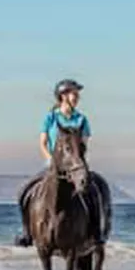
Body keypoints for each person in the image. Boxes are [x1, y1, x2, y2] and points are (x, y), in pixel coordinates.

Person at [14, 78, 107, 247]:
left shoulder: (82, 120)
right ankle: (27, 232)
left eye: (77, 94)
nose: (77, 97)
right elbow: (43, 143)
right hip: (53, 166)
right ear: (63, 96)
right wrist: (50, 159)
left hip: (74, 166)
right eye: (74, 94)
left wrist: (77, 163)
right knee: (24, 191)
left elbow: (83, 145)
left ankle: (95, 233)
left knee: (93, 192)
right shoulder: (50, 118)